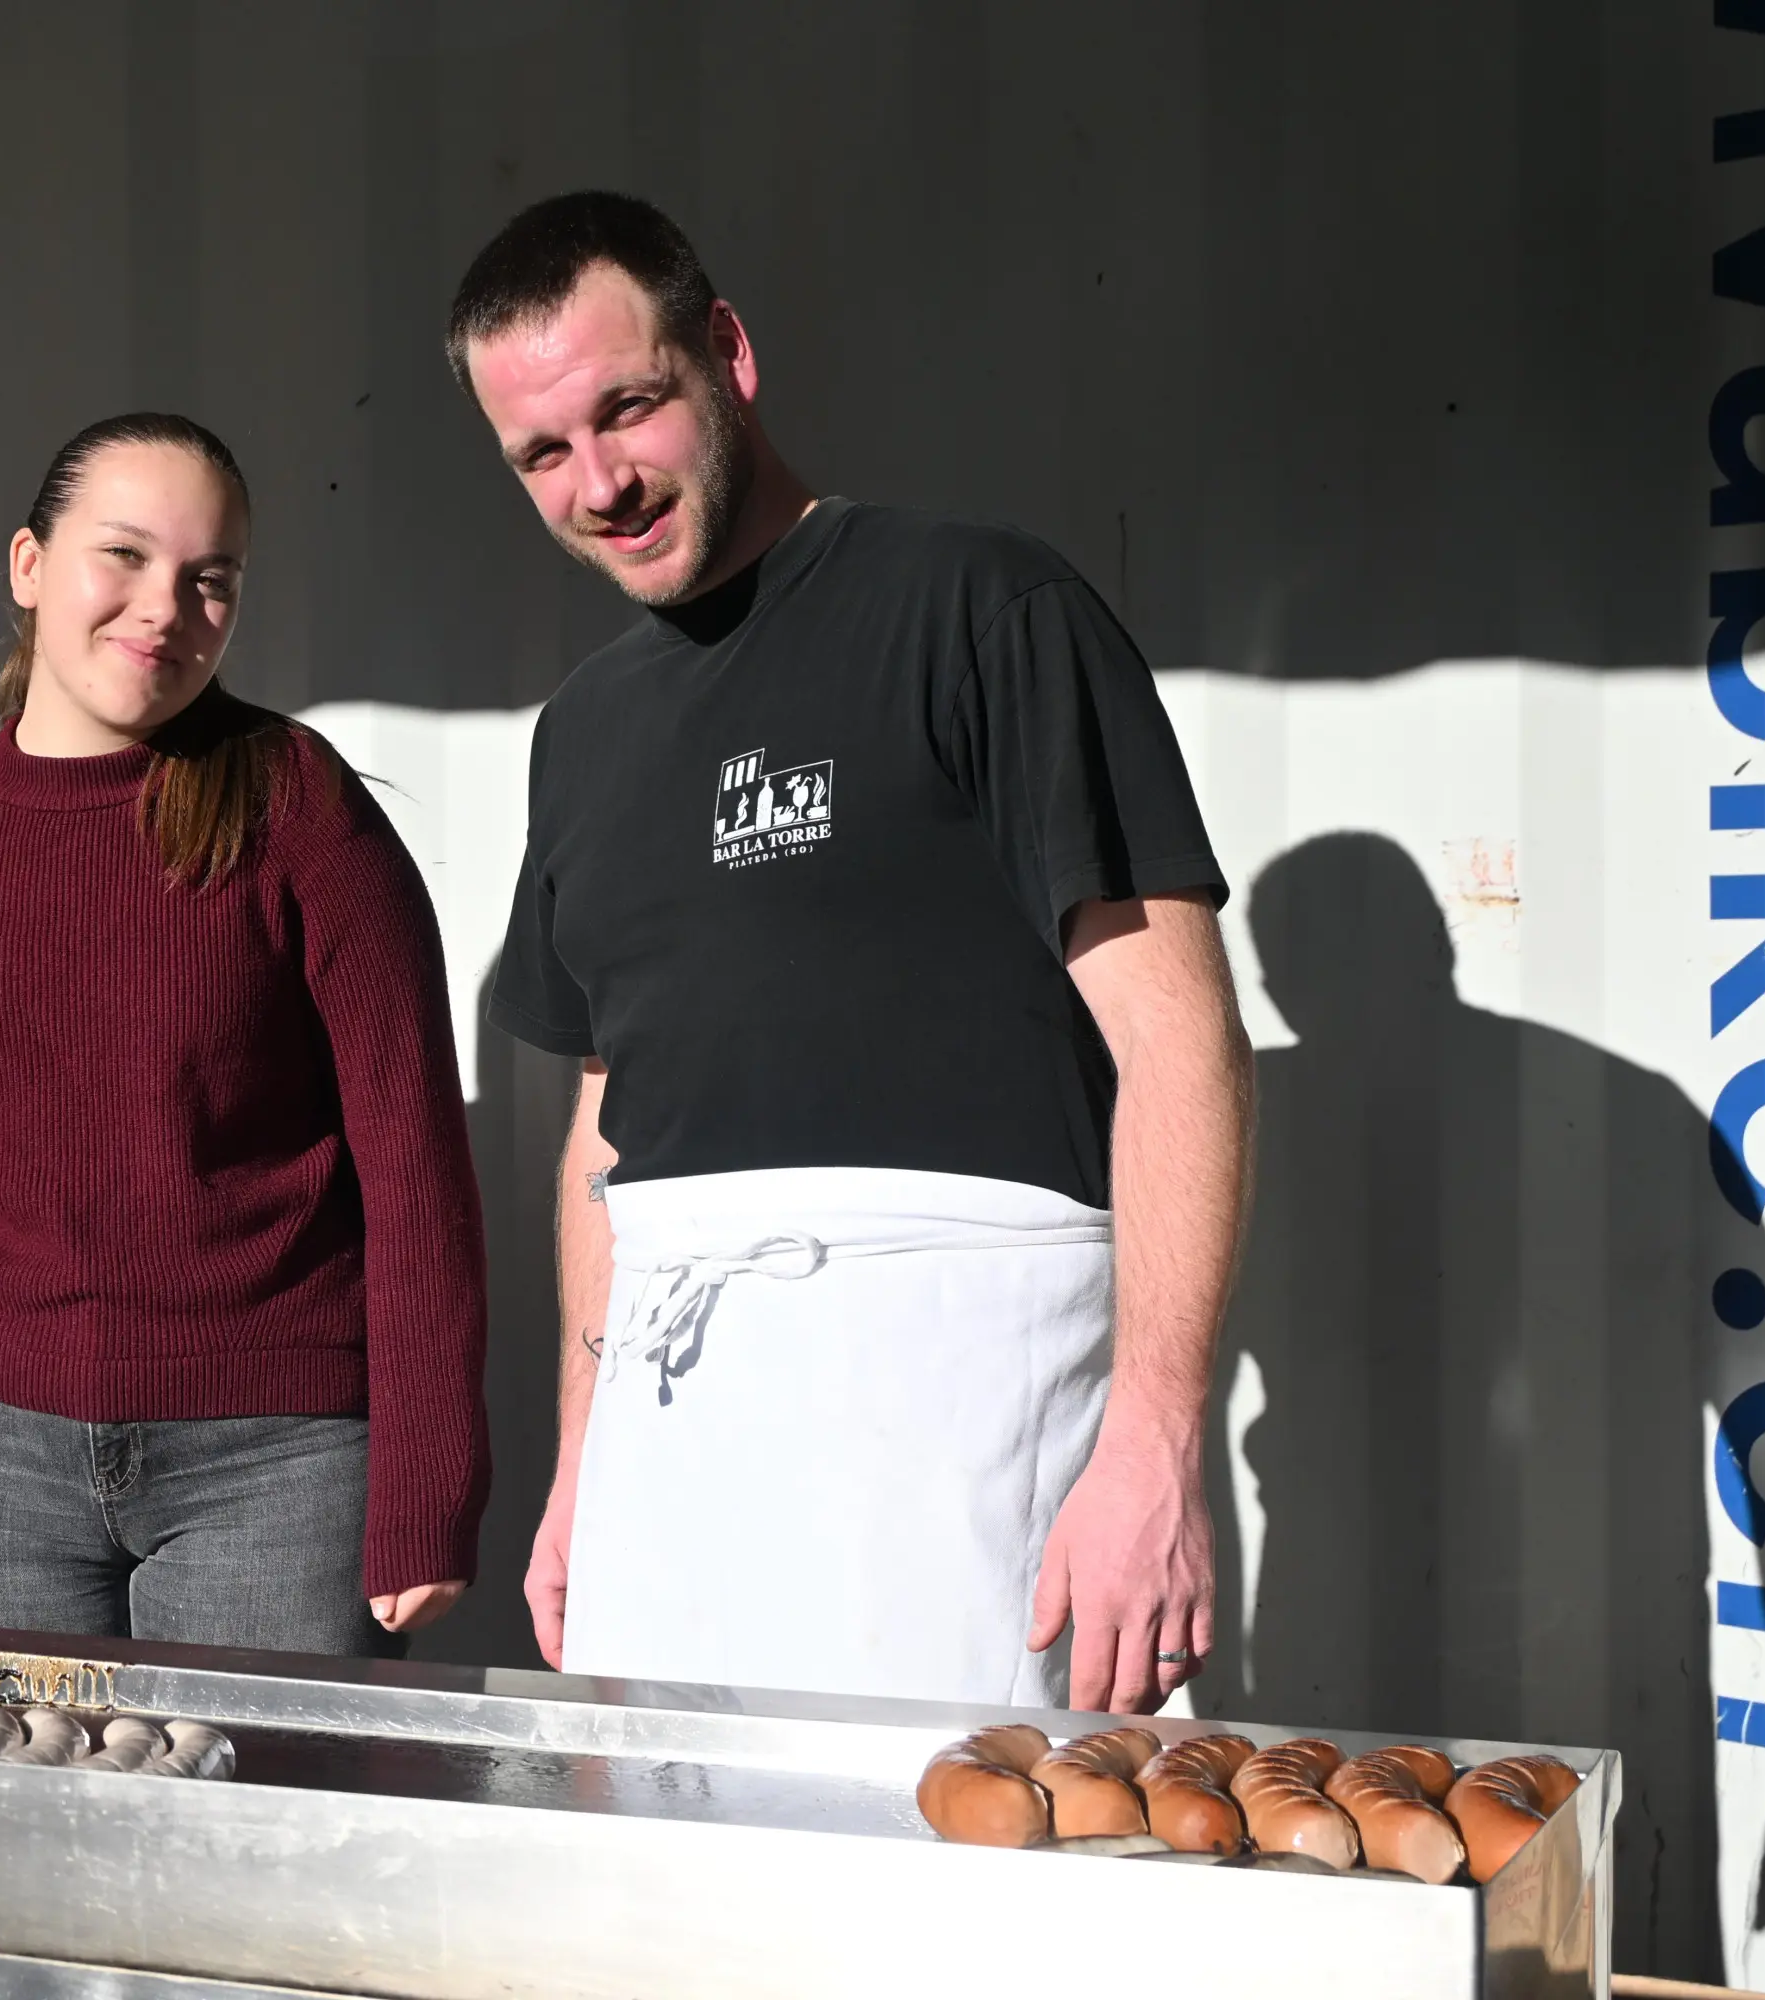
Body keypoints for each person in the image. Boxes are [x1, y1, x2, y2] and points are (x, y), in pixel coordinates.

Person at [449, 192, 1255, 1713]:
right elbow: (609, 1136)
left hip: (963, 1408)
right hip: (672, 1445)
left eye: (629, 410)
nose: (601, 483)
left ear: (727, 354)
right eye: (544, 455)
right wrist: (584, 1461)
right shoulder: (583, 732)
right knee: (670, 1918)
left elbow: (1180, 1042)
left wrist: (1154, 1438)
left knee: (963, 1904)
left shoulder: (982, 608)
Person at [0, 412, 489, 1655]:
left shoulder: (298, 806)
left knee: (258, 1838)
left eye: (207, 578)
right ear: (27, 565)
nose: (162, 606)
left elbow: (415, 1164)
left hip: (275, 1465)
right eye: (121, 554)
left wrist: (429, 1491)